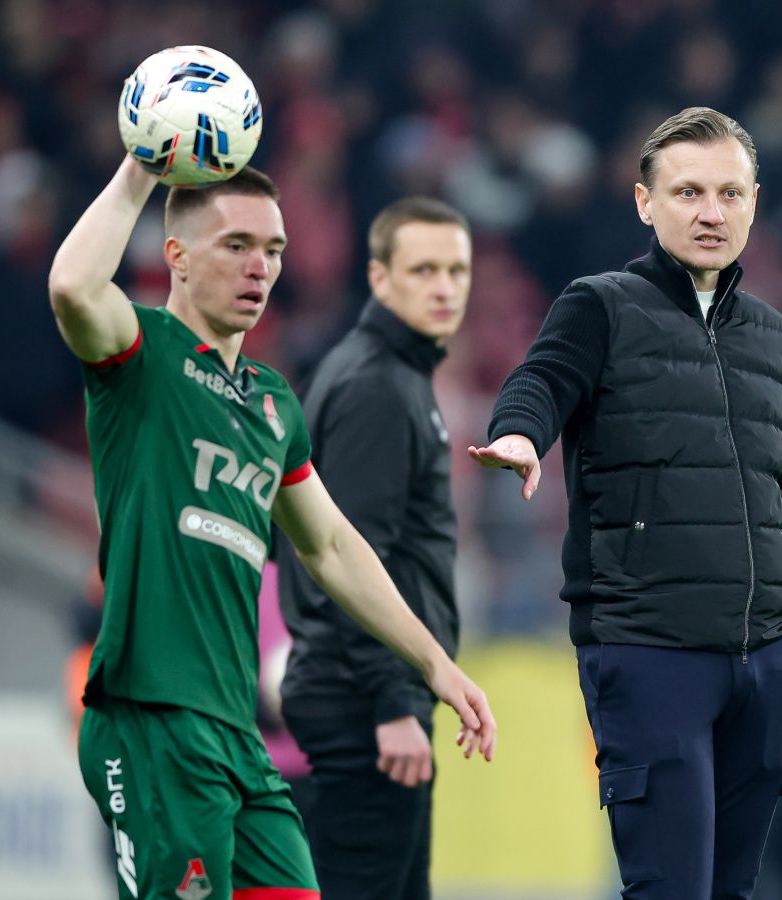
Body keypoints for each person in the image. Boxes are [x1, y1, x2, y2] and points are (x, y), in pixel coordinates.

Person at [48, 156, 496, 900]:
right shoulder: (142, 354)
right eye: (237, 245)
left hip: (239, 738)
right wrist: (141, 168)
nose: (260, 267)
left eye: (273, 249)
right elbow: (71, 287)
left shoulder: (272, 404)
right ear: (177, 257)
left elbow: (332, 545)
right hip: (155, 718)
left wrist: (432, 664)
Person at [469, 106, 782, 900]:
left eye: (729, 194)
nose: (711, 212)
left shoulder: (777, 338)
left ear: (754, 203)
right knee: (669, 889)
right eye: (689, 192)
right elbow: (540, 381)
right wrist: (520, 434)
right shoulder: (599, 305)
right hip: (649, 649)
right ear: (645, 202)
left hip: (770, 659)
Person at [277, 197, 472, 899]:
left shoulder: (387, 373)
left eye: (456, 270)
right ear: (379, 278)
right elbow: (352, 558)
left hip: (360, 691)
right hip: (362, 700)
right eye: (423, 270)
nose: (444, 287)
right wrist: (394, 701)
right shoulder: (378, 387)